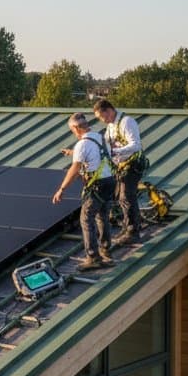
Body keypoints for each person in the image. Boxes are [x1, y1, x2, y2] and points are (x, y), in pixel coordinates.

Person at [53, 111, 114, 270]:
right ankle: (106, 251)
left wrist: (61, 189)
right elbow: (95, 154)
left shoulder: (82, 144)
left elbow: (74, 169)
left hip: (96, 186)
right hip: (110, 182)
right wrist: (72, 153)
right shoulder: (100, 138)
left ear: (75, 128)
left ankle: (93, 257)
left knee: (86, 219)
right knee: (103, 217)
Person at [92, 97, 143, 245]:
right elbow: (107, 144)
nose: (102, 120)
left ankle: (133, 232)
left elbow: (136, 145)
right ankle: (128, 227)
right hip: (121, 165)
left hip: (133, 164)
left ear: (109, 111)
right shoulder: (111, 126)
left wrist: (115, 151)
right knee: (120, 197)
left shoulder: (127, 122)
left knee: (126, 196)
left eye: (102, 116)